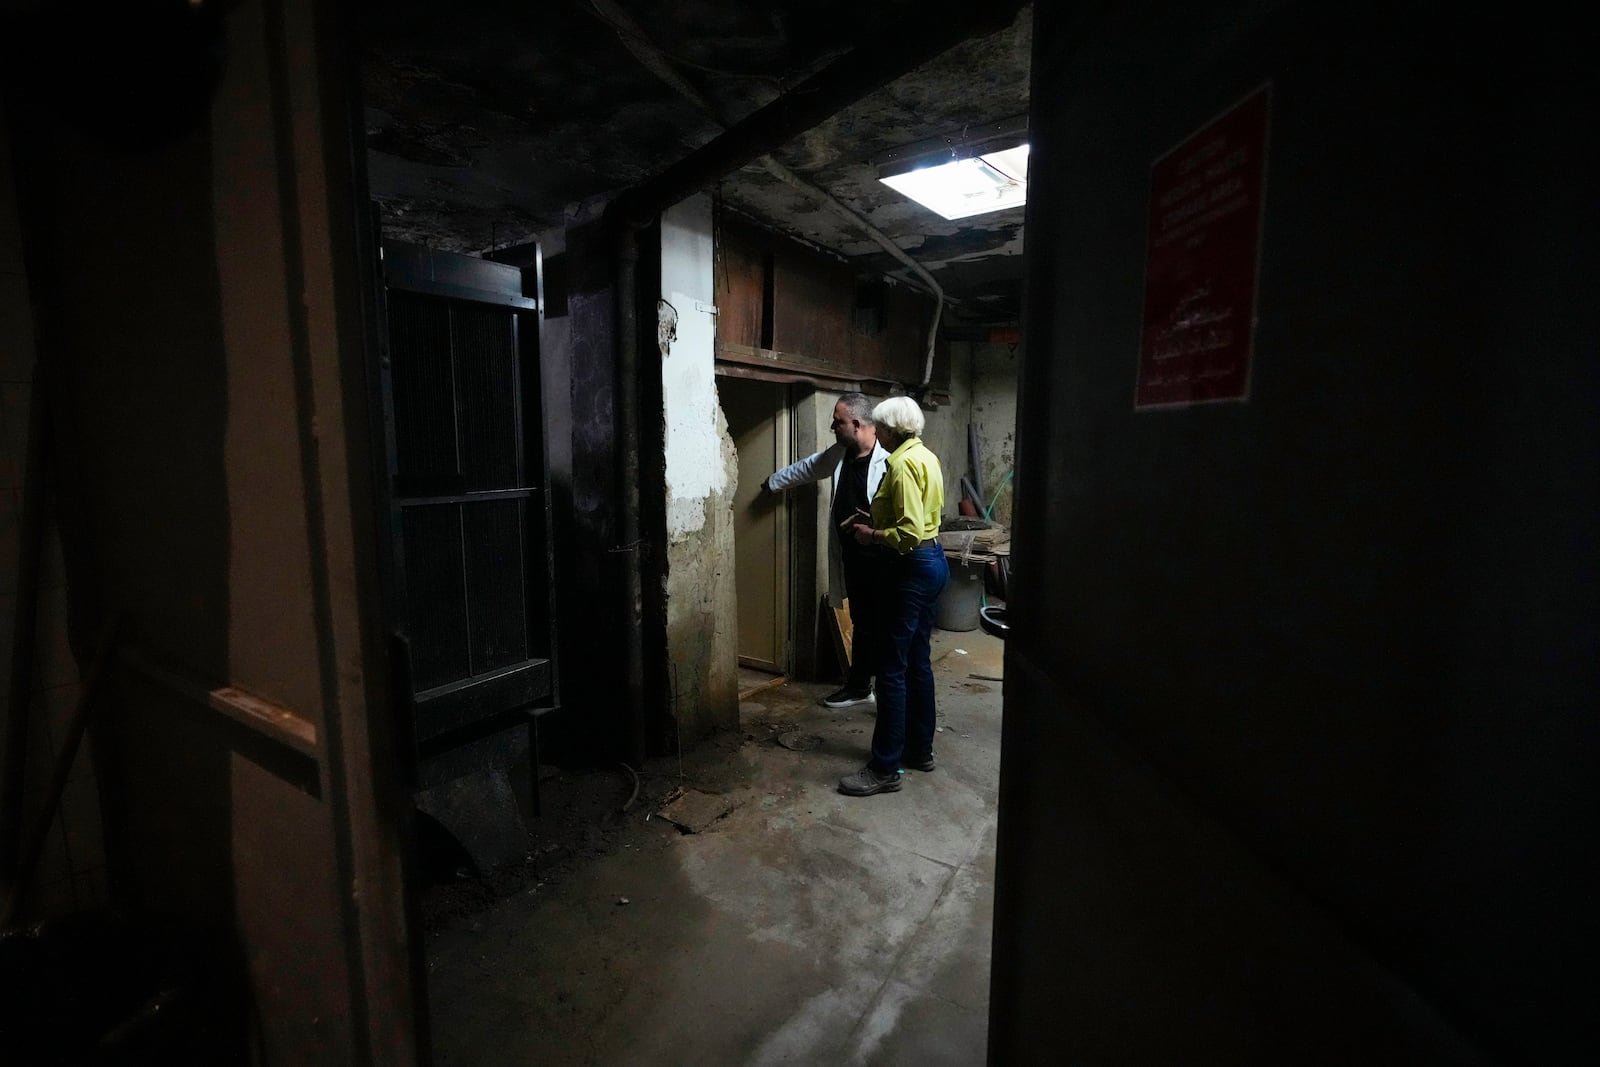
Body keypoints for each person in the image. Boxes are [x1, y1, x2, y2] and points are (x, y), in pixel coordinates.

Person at [838, 396, 949, 797]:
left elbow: (907, 534)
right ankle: (919, 750)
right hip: (933, 561)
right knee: (917, 660)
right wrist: (871, 517)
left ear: (889, 429)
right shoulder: (926, 457)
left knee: (890, 668)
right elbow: (921, 516)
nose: (877, 434)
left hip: (910, 568)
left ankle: (884, 767)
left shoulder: (899, 464)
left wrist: (872, 535)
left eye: (880, 428)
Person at [764, 392, 888, 708]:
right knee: (862, 623)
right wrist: (773, 482)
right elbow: (811, 466)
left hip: (884, 560)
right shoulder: (840, 453)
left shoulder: (890, 461)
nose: (833, 426)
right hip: (853, 559)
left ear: (858, 424)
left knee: (886, 628)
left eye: (838, 422)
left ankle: (892, 698)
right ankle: (860, 687)